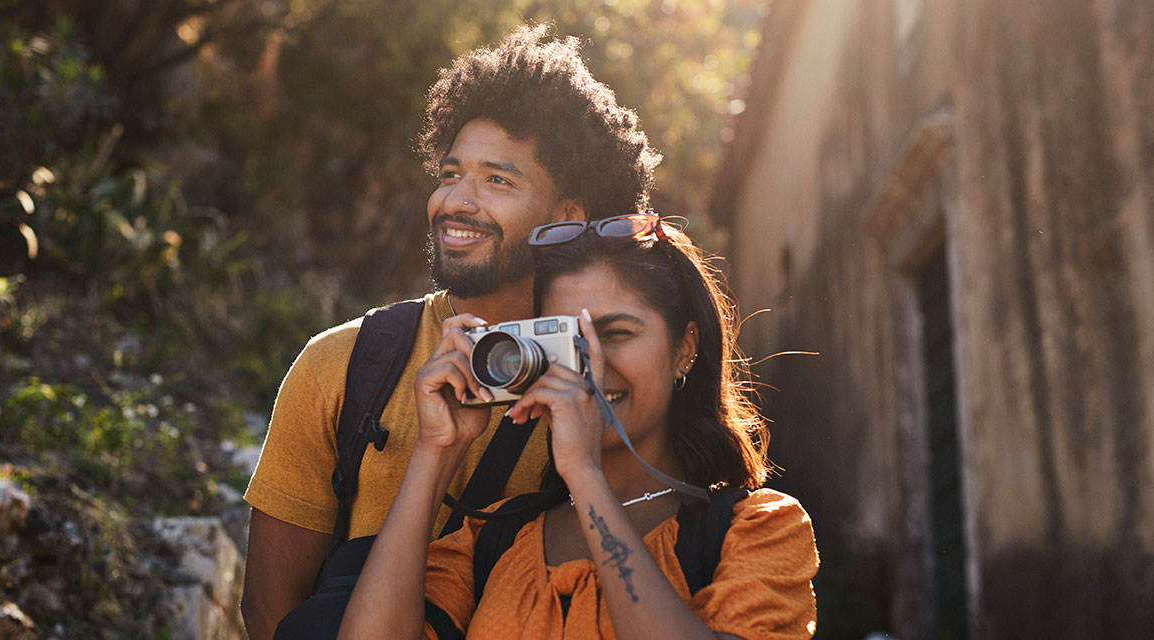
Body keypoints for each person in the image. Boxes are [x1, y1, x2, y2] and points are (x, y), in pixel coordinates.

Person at [240, 25, 662, 639]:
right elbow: (271, 610)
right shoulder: (342, 364)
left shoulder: (613, 380)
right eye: (449, 173)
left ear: (567, 216)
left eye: (498, 180)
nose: (454, 201)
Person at [337, 216, 820, 639]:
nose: (588, 367)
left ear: (684, 349)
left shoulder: (759, 529)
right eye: (566, 341)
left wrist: (585, 473)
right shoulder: (494, 538)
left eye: (615, 334)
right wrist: (437, 449)